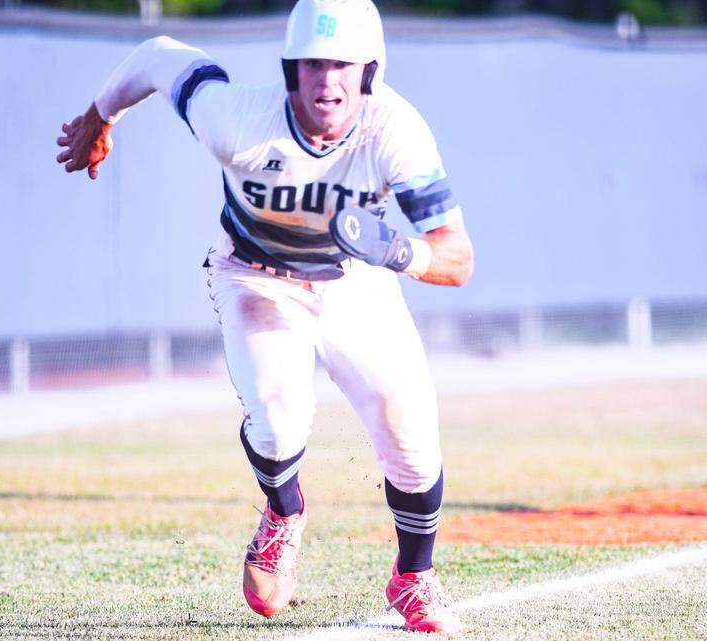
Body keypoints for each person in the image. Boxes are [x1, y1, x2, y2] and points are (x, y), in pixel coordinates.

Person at [56, 0, 473, 633]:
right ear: (289, 70)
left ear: (368, 73)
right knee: (279, 422)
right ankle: (284, 510)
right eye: (311, 64)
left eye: (340, 65)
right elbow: (159, 58)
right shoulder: (240, 120)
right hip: (256, 275)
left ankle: (414, 577)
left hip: (353, 280)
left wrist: (395, 249)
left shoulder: (396, 132)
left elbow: (456, 257)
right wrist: (98, 116)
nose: (325, 81)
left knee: (412, 442)